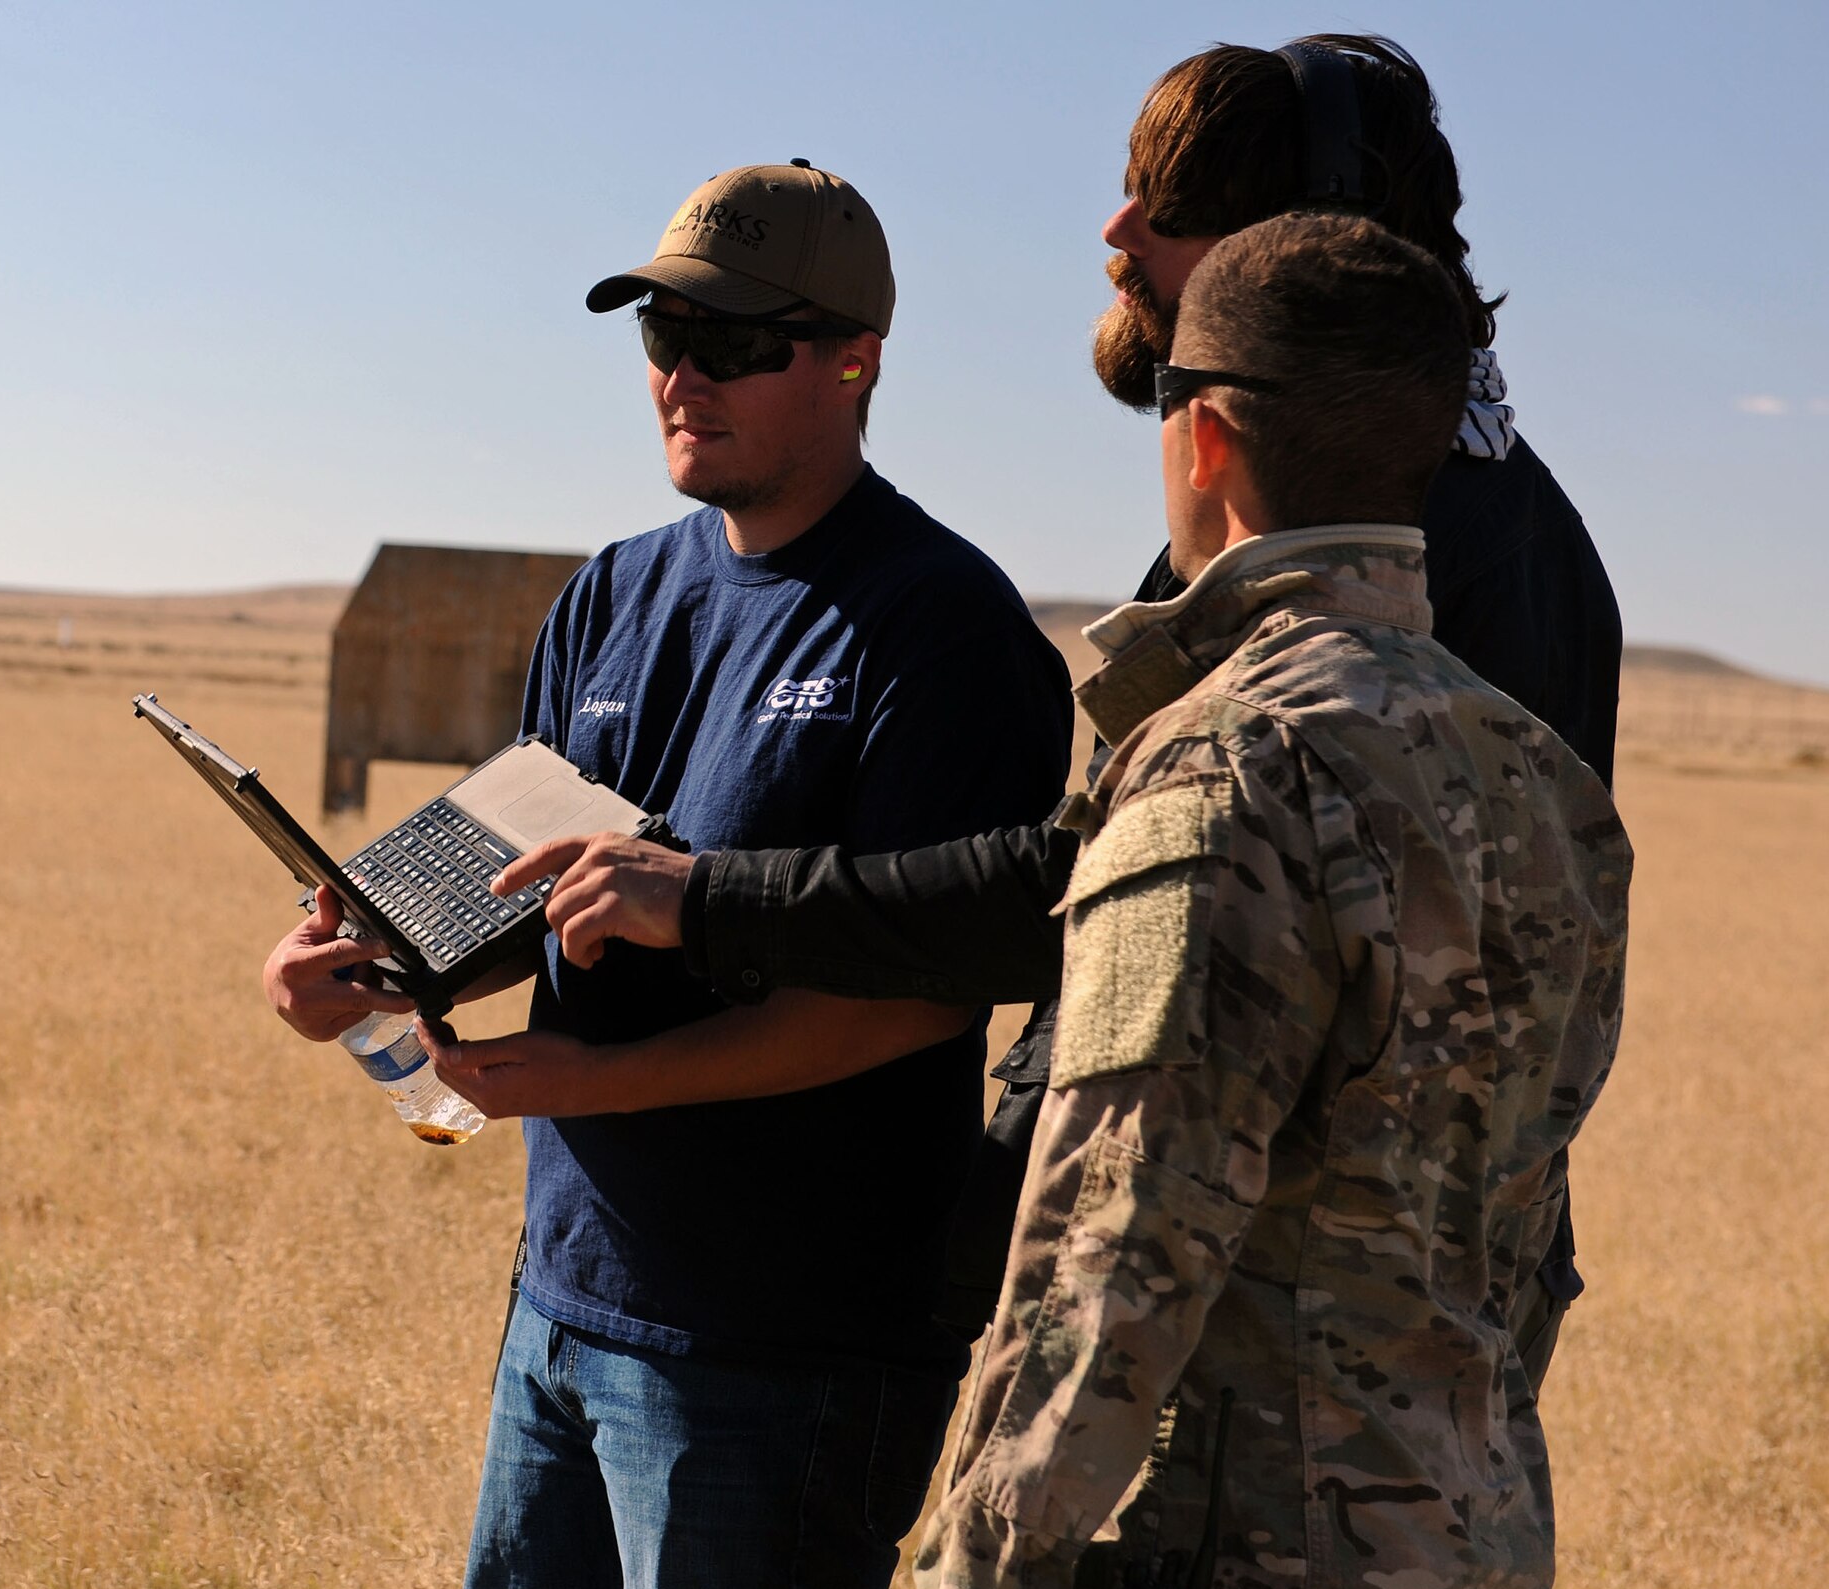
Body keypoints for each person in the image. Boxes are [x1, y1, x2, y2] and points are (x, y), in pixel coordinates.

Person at [485, 34, 1620, 1386]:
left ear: (1321, 245)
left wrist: (708, 901)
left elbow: (1083, 894)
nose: (1118, 231)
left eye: (1180, 206)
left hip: (1298, 1349)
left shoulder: (1440, 563)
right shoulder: (1369, 516)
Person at [263, 159, 1074, 1589]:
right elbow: (500, 886)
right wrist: (356, 968)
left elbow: (912, 1010)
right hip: (567, 1305)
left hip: (781, 1354)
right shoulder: (616, 593)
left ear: (853, 360)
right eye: (660, 337)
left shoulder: (945, 630)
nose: (683, 378)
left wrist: (579, 1080)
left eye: (736, 344)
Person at [914, 210, 1631, 1589]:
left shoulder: (1227, 763)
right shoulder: (1542, 774)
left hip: (1250, 1547)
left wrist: (974, 1567)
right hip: (1475, 1542)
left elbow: (1110, 1249)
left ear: (1207, 439)